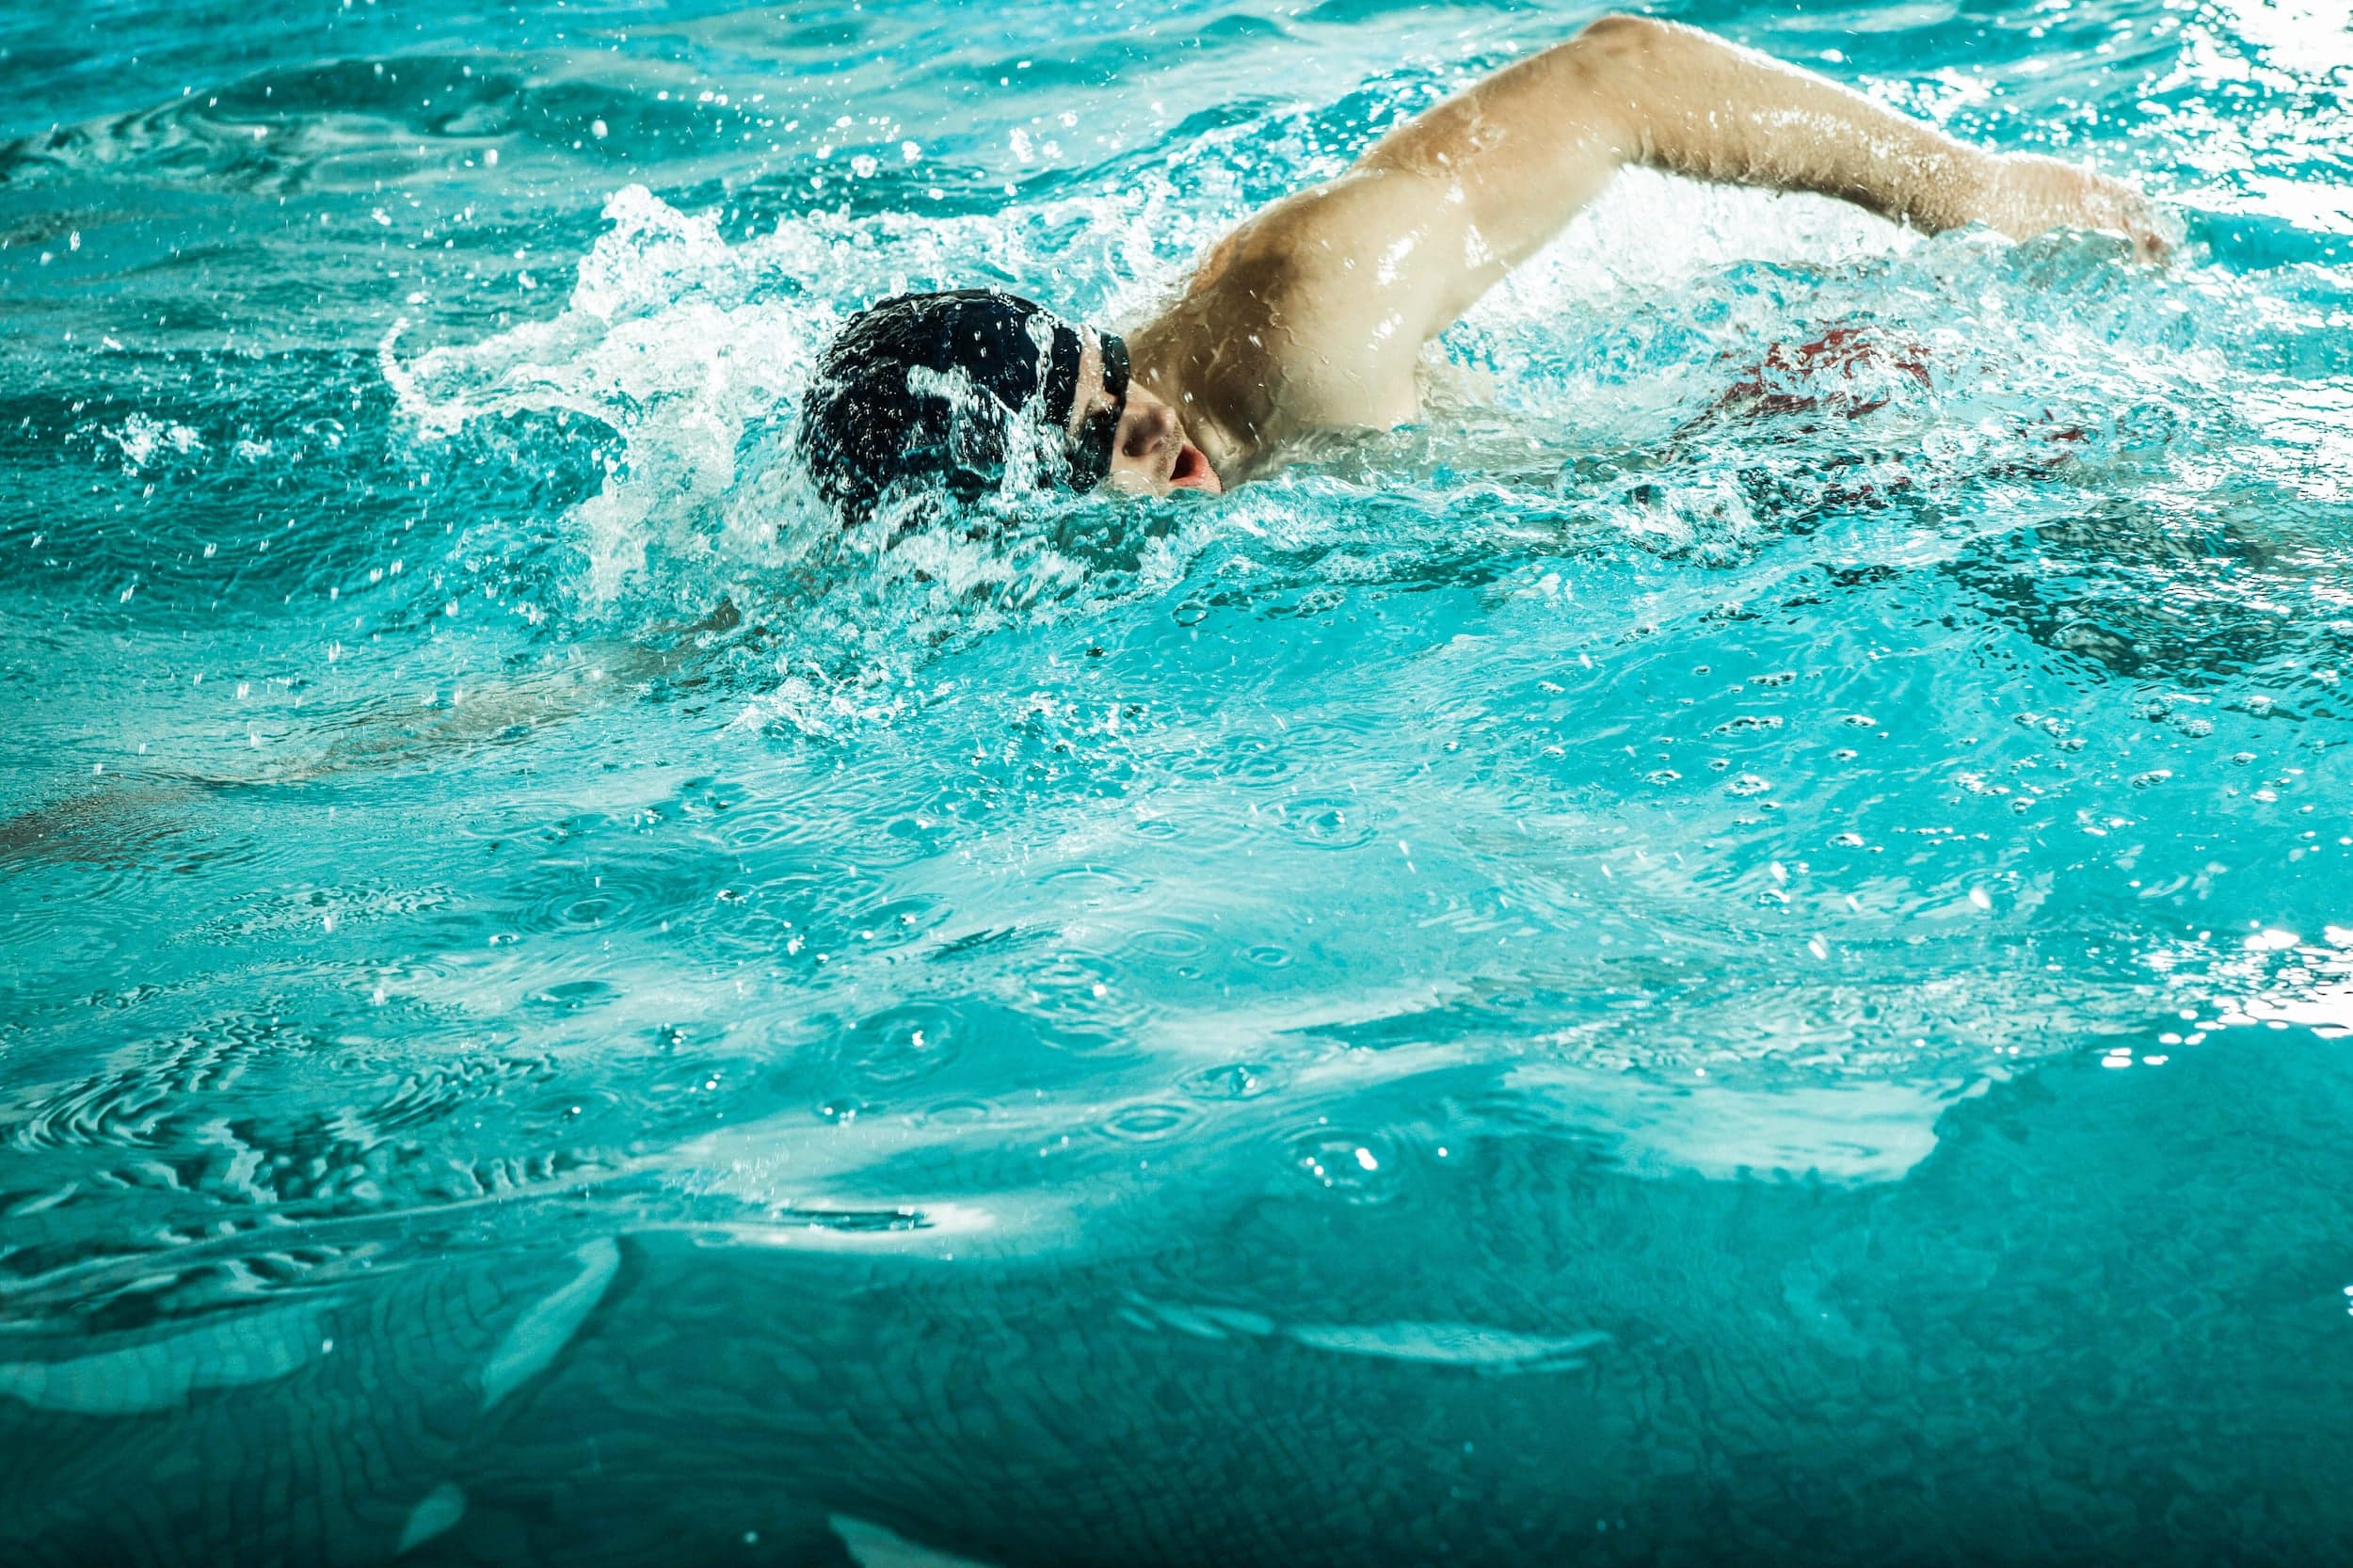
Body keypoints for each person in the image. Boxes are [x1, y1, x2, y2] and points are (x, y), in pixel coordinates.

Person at [796, 13, 2165, 525]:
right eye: (1105, 448)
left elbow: (1621, 70)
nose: (1159, 435)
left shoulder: (1326, 300)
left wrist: (1973, 195)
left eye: (1127, 391)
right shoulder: (952, 537)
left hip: (1752, 465)